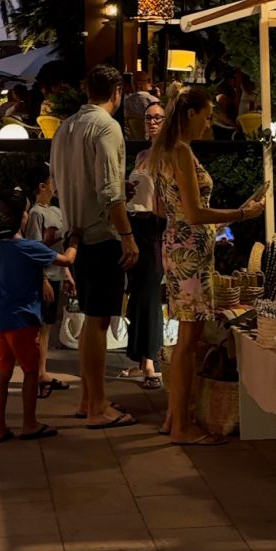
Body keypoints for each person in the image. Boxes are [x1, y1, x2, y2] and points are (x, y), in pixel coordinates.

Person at [146, 86, 264, 445]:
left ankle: (173, 417)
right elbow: (195, 212)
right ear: (191, 113)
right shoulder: (180, 152)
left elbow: (161, 210)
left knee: (186, 337)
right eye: (207, 115)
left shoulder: (163, 151)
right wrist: (243, 214)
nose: (208, 122)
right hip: (190, 253)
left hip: (177, 245)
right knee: (188, 340)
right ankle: (181, 426)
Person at [51, 64, 139, 429]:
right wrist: (127, 236)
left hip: (76, 233)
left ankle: (89, 397)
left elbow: (67, 182)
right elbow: (108, 191)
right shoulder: (107, 126)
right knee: (99, 320)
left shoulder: (66, 127)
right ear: (116, 92)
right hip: (101, 236)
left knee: (91, 318)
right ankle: (97, 405)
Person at [0, 192, 78, 444]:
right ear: (21, 219)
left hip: (1, 320)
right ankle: (29, 423)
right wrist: (75, 240)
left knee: (2, 373)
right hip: (24, 321)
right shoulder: (29, 247)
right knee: (30, 372)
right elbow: (66, 260)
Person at [120, 101, 167, 389]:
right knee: (138, 293)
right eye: (148, 118)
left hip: (155, 227)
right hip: (135, 224)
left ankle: (151, 360)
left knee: (150, 292)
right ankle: (140, 359)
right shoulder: (141, 154)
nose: (152, 122)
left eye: (158, 118)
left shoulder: (170, 156)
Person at [23, 162, 75, 399]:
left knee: (48, 327)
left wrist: (67, 274)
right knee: (40, 328)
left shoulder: (55, 210)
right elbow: (35, 248)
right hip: (43, 278)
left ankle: (42, 371)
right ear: (41, 186)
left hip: (56, 274)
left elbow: (60, 245)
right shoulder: (36, 213)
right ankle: (38, 373)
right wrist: (43, 279)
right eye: (52, 181)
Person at [123, 73, 160, 140]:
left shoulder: (125, 102)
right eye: (148, 80)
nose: (151, 83)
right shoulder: (154, 102)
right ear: (139, 84)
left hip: (130, 143)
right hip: (150, 143)